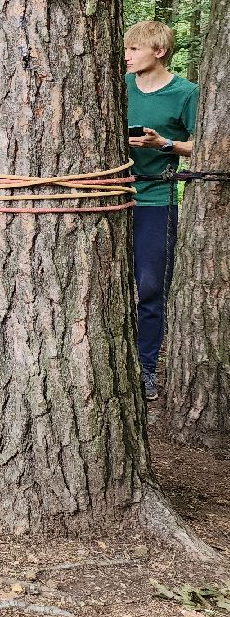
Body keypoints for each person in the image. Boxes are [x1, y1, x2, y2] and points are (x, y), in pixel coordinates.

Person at [125, 20, 198, 401]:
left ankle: (146, 368)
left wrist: (166, 143)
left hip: (156, 200)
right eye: (126, 49)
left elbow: (207, 145)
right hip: (110, 196)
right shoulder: (118, 86)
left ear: (158, 51)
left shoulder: (186, 92)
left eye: (134, 49)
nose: (127, 56)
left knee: (151, 287)